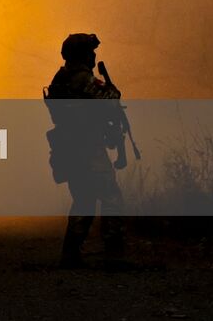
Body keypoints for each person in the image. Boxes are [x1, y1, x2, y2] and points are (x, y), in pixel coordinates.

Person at [45, 32, 125, 269]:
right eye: (90, 52)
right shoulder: (83, 79)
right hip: (88, 147)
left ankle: (70, 254)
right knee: (111, 196)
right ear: (82, 55)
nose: (93, 56)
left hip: (69, 148)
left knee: (83, 200)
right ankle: (113, 254)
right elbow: (110, 102)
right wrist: (113, 90)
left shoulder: (60, 79)